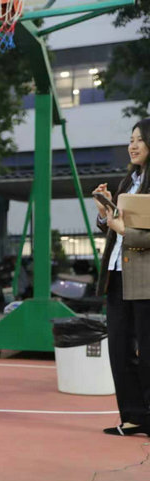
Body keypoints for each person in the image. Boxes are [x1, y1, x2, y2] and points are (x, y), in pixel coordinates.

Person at [94, 117, 150, 437]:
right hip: (117, 274)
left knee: (148, 351)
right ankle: (133, 416)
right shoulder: (128, 181)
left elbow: (132, 231)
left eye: (139, 139)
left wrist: (124, 230)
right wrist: (105, 213)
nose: (133, 145)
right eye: (131, 139)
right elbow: (115, 225)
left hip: (145, 279)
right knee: (118, 348)